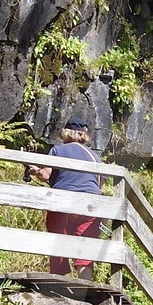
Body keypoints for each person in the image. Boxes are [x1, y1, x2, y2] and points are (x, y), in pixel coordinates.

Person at [42, 113, 102, 277]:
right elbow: (99, 185)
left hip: (65, 203)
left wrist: (35, 170)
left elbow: (45, 175)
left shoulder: (58, 150)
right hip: (92, 206)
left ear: (66, 131)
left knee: (59, 239)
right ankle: (83, 287)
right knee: (85, 243)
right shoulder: (96, 158)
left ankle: (59, 282)